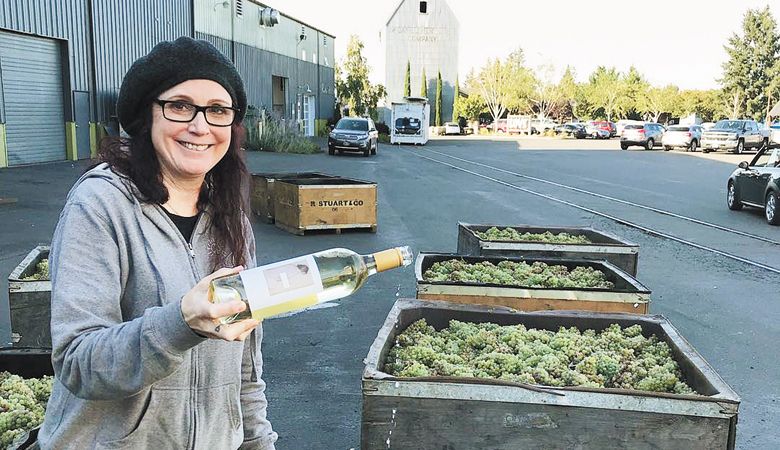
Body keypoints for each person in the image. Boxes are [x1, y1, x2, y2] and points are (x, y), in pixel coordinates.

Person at [37, 37, 277, 449]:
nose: (200, 126)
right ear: (147, 114)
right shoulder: (100, 205)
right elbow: (78, 362)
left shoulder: (229, 217)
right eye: (180, 105)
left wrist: (259, 442)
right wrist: (179, 324)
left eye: (218, 110)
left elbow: (245, 370)